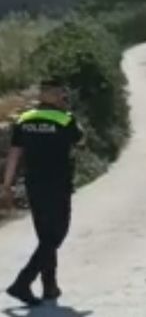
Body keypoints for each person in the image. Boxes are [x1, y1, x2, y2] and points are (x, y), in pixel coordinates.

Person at [2, 80, 84, 307]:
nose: (62, 96)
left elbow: (15, 154)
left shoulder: (24, 119)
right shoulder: (65, 119)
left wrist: (7, 184)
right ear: (53, 95)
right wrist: (67, 113)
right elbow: (81, 140)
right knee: (57, 235)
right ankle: (22, 281)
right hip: (58, 184)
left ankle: (50, 286)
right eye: (60, 93)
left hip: (34, 185)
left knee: (45, 236)